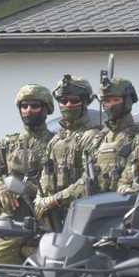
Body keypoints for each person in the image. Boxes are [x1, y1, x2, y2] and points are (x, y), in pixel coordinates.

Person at [0, 84, 55, 265]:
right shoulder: (9, 143)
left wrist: (33, 189)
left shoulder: (55, 143)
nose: (29, 110)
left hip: (47, 219)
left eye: (35, 105)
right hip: (11, 218)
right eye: (24, 106)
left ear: (46, 109)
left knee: (46, 276)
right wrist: (0, 186)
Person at [60, 77, 139, 197]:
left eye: (116, 100)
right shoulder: (99, 139)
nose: (111, 105)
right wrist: (56, 199)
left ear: (127, 101)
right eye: (107, 101)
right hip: (99, 207)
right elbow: (85, 179)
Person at [34, 75, 102, 224]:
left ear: (85, 102)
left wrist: (55, 199)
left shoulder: (92, 137)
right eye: (63, 101)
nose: (69, 105)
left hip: (82, 216)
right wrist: (40, 200)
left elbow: (90, 180)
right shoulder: (56, 140)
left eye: (74, 100)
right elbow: (44, 178)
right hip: (54, 218)